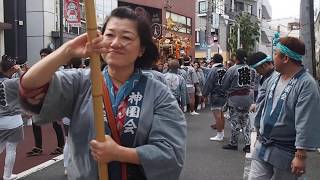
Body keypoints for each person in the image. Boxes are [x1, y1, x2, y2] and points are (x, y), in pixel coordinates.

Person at [19, 7, 186, 180]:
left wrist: (120, 153)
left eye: (126, 37)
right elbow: (30, 87)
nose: (115, 43)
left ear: (141, 49)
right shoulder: (81, 82)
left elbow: (171, 153)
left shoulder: (158, 93)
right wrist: (67, 51)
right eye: (110, 35)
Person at [248, 37, 320, 180]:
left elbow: (305, 120)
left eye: (275, 54)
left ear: (285, 58)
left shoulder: (306, 84)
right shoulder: (274, 78)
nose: (272, 58)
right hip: (263, 143)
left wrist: (300, 155)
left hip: (285, 149)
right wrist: (258, 131)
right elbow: (263, 108)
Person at [26, 48, 65, 156]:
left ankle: (61, 146)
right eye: (41, 55)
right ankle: (38, 147)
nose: (43, 57)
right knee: (35, 122)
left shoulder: (57, 69)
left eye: (45, 55)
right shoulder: (38, 67)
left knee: (56, 123)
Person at [221, 49, 253, 153]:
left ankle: (233, 143)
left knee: (234, 121)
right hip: (247, 98)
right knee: (245, 121)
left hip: (235, 98)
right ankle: (248, 144)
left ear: (236, 58)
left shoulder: (232, 69)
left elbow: (225, 84)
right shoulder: (250, 69)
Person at [0, 55, 24, 180]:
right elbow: (28, 81)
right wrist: (19, 71)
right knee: (11, 149)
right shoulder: (12, 82)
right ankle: (7, 176)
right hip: (13, 120)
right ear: (12, 68)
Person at [203, 54, 227, 141]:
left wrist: (204, 94)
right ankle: (222, 133)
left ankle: (219, 134)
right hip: (224, 95)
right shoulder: (225, 69)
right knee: (221, 115)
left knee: (217, 116)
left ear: (213, 61)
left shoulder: (213, 70)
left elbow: (208, 83)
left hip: (216, 95)